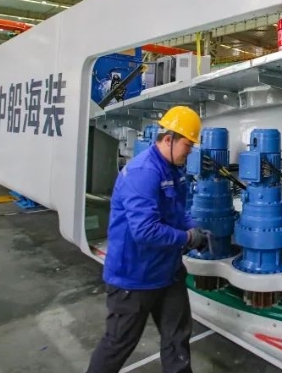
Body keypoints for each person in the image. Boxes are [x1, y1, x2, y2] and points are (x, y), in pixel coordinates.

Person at [86, 105, 209, 373]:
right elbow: (144, 230)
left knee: (177, 340)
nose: (190, 151)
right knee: (118, 344)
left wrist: (194, 228)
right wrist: (188, 238)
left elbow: (178, 211)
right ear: (169, 139)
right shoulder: (144, 172)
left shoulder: (174, 170)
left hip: (168, 273)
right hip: (134, 278)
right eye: (188, 145)